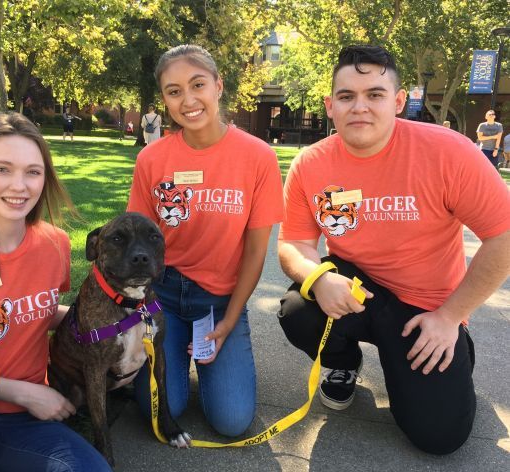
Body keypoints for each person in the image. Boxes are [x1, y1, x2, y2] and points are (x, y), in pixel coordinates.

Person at [277, 45, 510, 455]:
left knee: (439, 438)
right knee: (298, 310)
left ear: (399, 101)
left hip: (428, 311)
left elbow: (504, 236)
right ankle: (345, 365)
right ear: (330, 106)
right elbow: (294, 244)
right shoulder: (311, 163)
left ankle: (452, 349)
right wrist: (319, 277)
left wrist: (451, 317)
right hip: (357, 294)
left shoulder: (449, 152)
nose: (359, 107)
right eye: (346, 96)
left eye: (375, 94)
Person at [0, 113, 111, 470]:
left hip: (21, 423)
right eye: (2, 169)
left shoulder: (55, 244)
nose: (19, 185)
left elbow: (41, 313)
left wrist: (117, 326)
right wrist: (23, 392)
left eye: (33, 171)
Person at [127, 44, 283, 437]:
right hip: (163, 297)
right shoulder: (151, 159)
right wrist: (140, 312)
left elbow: (255, 251)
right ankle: (168, 363)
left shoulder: (258, 157)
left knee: (232, 422)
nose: (188, 100)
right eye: (174, 91)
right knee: (164, 409)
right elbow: (137, 244)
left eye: (198, 85)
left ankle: (206, 365)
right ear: (164, 99)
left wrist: (230, 319)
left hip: (218, 302)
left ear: (218, 86)